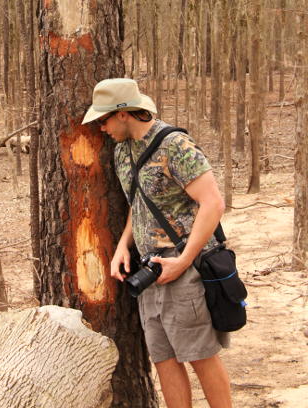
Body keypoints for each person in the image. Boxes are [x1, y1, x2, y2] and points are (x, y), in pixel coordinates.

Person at [82, 78, 232, 408]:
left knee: (200, 355)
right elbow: (140, 206)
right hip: (149, 270)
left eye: (103, 119)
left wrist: (183, 260)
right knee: (163, 359)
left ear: (123, 114)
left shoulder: (174, 145)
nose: (100, 128)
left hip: (185, 266)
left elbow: (213, 203)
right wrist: (123, 245)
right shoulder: (122, 152)